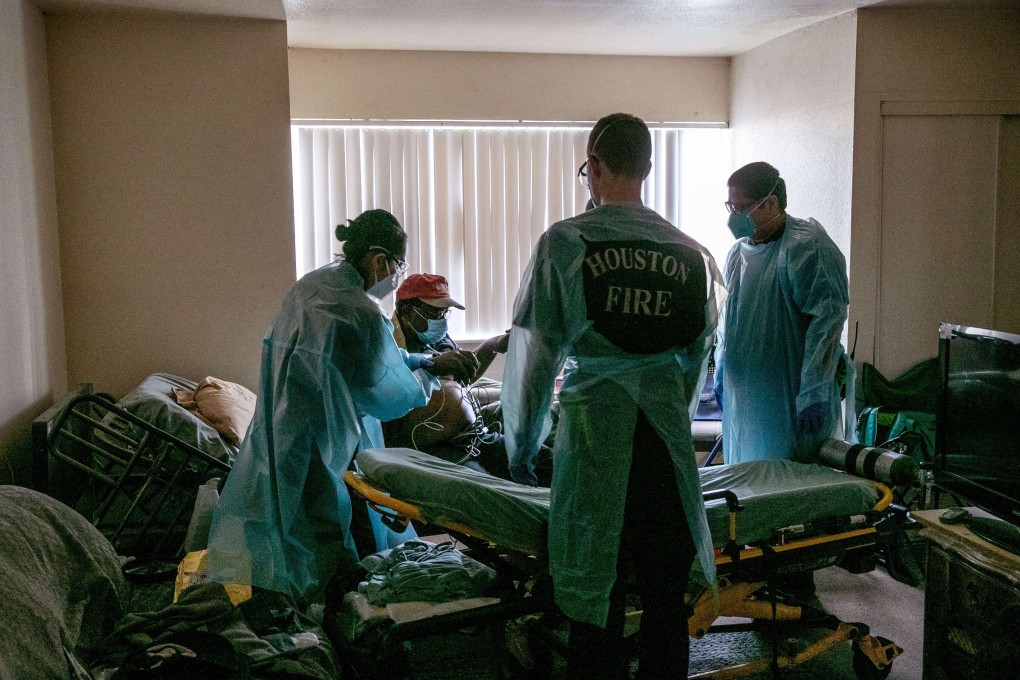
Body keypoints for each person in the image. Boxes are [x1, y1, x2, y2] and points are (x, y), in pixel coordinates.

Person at [501, 113, 724, 679]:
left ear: (594, 166)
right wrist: (669, 409)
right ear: (648, 167)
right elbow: (696, 364)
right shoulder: (690, 253)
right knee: (664, 603)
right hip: (665, 448)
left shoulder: (568, 242)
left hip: (597, 439)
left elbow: (533, 358)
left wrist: (522, 448)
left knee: (592, 594)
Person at [205, 209, 478, 603]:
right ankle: (320, 615)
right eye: (398, 265)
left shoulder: (313, 287)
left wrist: (423, 361)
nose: (396, 274)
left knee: (277, 521)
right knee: (320, 527)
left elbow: (369, 358)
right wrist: (431, 375)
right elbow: (385, 391)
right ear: (379, 259)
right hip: (318, 436)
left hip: (280, 420)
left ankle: (280, 600)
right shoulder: (356, 309)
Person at [714, 161, 850, 465]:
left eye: (742, 207)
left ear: (771, 203)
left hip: (790, 400)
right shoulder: (738, 254)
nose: (734, 217)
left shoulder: (805, 248)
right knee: (748, 485)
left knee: (790, 488)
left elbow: (826, 323)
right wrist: (722, 373)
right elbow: (727, 322)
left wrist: (813, 392)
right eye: (730, 206)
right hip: (745, 400)